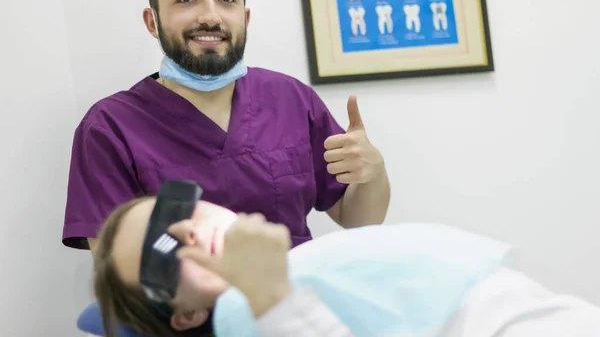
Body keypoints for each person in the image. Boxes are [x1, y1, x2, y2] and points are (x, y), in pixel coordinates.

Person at [61, 0, 391, 254]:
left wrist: (373, 172)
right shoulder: (110, 126)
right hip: (182, 313)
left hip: (291, 304)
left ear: (245, 19)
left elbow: (358, 218)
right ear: (153, 21)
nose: (210, 16)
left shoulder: (291, 99)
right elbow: (115, 263)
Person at [92, 186, 600, 337]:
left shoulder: (301, 269)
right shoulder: (247, 315)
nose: (192, 232)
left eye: (179, 210)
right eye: (165, 251)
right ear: (184, 315)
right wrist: (269, 297)